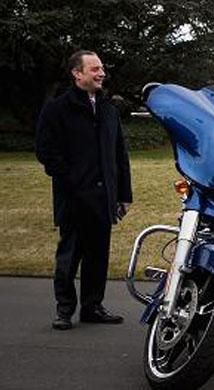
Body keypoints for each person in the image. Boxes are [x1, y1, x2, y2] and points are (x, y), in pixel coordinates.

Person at [36, 50, 133, 330]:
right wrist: (72, 180)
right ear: (77, 74)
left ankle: (92, 307)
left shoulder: (108, 110)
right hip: (73, 198)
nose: (101, 73)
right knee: (69, 256)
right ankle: (64, 310)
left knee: (98, 256)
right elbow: (45, 152)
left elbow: (120, 156)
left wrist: (124, 195)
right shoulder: (56, 109)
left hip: (104, 199)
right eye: (94, 69)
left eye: (101, 68)